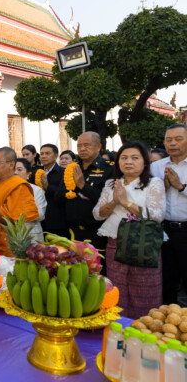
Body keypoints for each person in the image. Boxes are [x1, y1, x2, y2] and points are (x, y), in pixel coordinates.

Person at [94, 141, 165, 318]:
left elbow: (156, 215)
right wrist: (114, 201)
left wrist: (125, 202)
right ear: (118, 162)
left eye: (135, 158)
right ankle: (118, 328)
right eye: (124, 158)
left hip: (144, 244)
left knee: (145, 290)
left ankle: (143, 330)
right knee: (117, 290)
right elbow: (97, 214)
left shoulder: (154, 183)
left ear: (145, 162)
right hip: (115, 242)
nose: (128, 162)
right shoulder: (111, 184)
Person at [55, 132, 114, 275]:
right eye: (79, 145)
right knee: (74, 273)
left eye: (86, 145)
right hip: (72, 231)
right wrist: (70, 187)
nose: (82, 149)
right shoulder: (72, 168)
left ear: (98, 146)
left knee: (96, 273)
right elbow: (58, 198)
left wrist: (83, 186)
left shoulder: (109, 168)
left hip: (97, 231)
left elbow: (108, 201)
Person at [151, 124, 187, 304]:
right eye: (169, 140)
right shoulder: (156, 167)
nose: (173, 143)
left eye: (178, 139)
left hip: (185, 229)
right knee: (166, 279)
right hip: (162, 230)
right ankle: (167, 315)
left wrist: (180, 186)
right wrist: (162, 189)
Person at [38, 144, 67, 237]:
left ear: (56, 156)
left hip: (57, 220)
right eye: (41, 154)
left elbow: (65, 194)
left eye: (47, 153)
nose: (43, 156)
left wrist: (48, 187)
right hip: (39, 220)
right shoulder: (36, 172)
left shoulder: (64, 173)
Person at [15, 158, 47, 242]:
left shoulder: (36, 190)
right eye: (13, 170)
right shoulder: (6, 190)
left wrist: (16, 212)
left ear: (28, 174)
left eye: (19, 169)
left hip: (32, 234)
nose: (15, 172)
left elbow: (40, 215)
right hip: (12, 235)